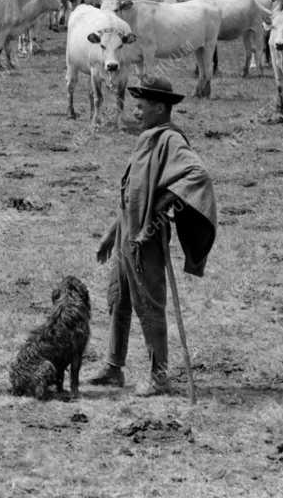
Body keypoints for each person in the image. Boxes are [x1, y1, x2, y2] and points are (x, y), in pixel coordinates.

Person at [89, 75, 217, 396]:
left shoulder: (170, 140)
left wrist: (160, 206)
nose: (136, 111)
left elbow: (196, 174)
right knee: (118, 299)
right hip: (126, 237)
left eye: (141, 106)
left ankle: (159, 377)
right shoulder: (147, 136)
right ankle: (113, 367)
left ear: (160, 107)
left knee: (149, 305)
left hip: (146, 238)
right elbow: (132, 194)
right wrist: (111, 234)